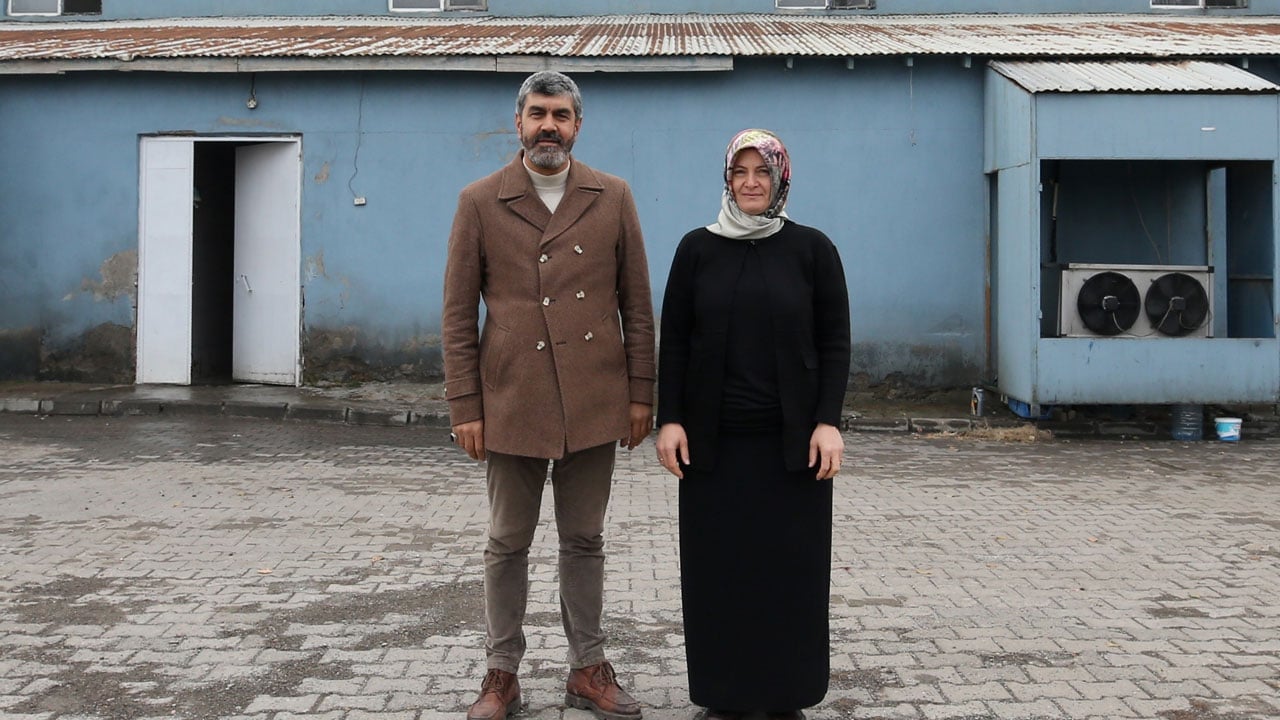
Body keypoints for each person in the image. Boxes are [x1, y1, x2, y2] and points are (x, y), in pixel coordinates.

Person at [442, 71, 656, 720]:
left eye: (561, 115)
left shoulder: (612, 195)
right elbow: (456, 315)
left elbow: (637, 307)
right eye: (538, 114)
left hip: (595, 397)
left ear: (578, 126)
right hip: (513, 399)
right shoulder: (480, 201)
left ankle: (587, 668)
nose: (549, 127)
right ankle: (501, 674)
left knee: (583, 540)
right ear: (518, 122)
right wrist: (465, 406)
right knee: (507, 541)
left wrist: (641, 396)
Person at [654, 129, 851, 720]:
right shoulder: (697, 249)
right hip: (716, 453)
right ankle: (723, 694)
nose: (750, 183)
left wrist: (828, 422)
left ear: (781, 178)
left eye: (761, 172)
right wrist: (670, 420)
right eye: (739, 172)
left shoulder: (812, 249)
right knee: (721, 577)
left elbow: (835, 342)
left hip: (793, 453)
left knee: (791, 576)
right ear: (727, 180)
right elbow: (677, 344)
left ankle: (787, 695)